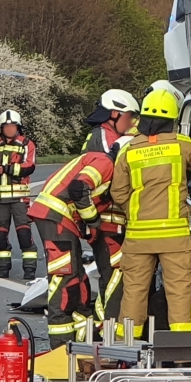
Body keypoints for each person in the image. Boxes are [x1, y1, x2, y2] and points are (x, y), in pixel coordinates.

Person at [110, 87, 191, 337]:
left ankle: (126, 344)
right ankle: (184, 344)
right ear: (172, 119)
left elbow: (118, 192)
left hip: (138, 236)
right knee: (179, 291)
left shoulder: (128, 151)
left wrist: (136, 212)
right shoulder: (183, 145)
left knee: (134, 291)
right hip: (174, 236)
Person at [27, 151, 117, 349]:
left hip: (60, 216)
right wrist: (92, 221)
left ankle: (80, 339)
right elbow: (79, 187)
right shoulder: (105, 163)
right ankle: (60, 345)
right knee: (64, 279)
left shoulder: (100, 160)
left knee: (77, 277)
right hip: (56, 216)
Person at [82, 89, 139, 322]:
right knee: (114, 276)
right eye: (129, 116)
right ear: (114, 114)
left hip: (112, 220)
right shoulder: (104, 137)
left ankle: (104, 325)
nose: (132, 122)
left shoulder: (109, 135)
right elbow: (113, 173)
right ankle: (106, 327)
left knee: (113, 277)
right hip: (107, 220)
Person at [0, 108, 37, 280]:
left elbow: (29, 166)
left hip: (19, 199)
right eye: (6, 127)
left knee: (24, 234)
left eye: (12, 126)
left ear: (18, 127)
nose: (9, 129)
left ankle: (29, 269)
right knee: (0, 236)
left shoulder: (26, 144)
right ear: (2, 128)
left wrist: (6, 169)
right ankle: (3, 268)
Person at [83, 89, 140, 156]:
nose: (131, 124)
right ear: (115, 114)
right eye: (129, 117)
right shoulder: (107, 138)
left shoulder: (101, 132)